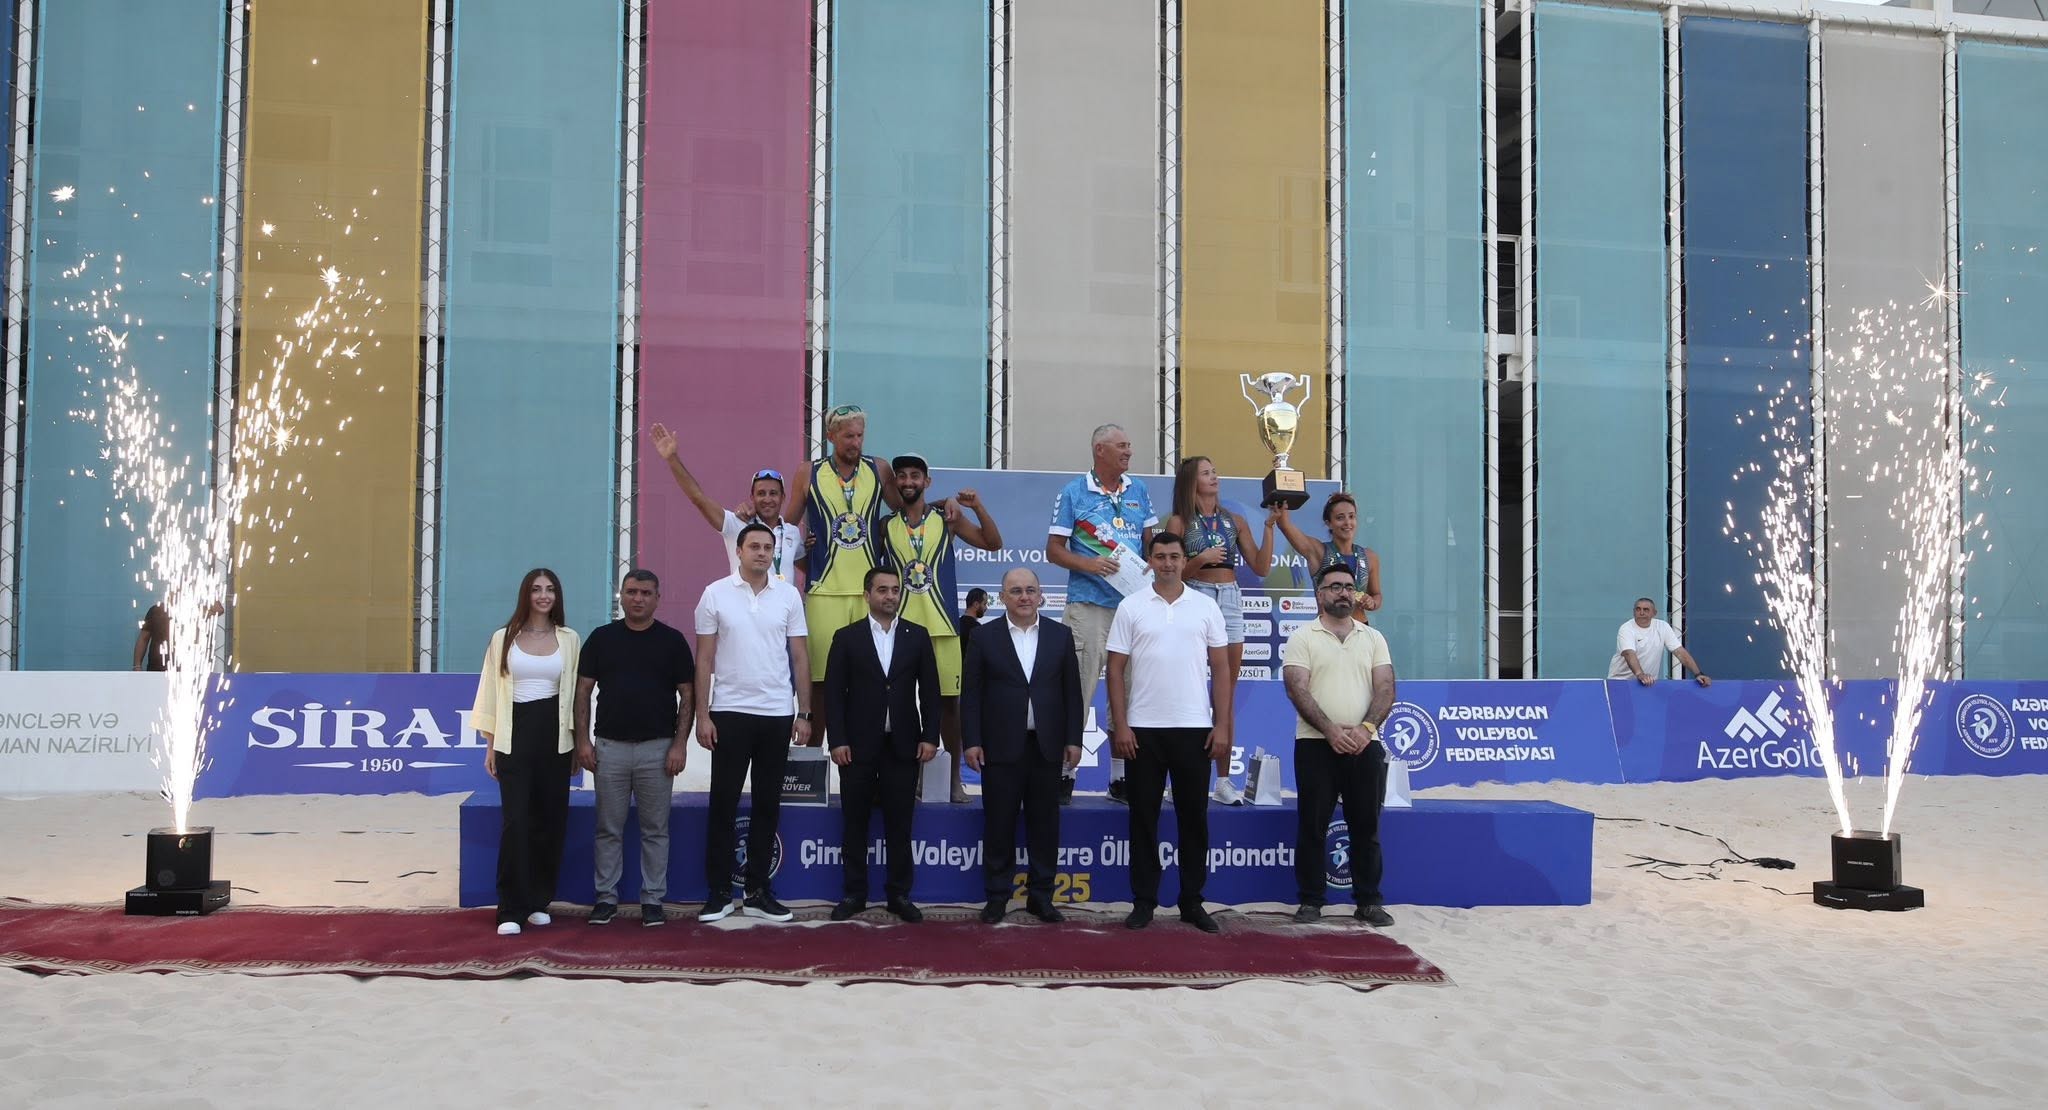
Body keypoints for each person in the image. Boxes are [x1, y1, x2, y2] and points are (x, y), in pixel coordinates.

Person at [1105, 532, 1231, 933]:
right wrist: (1121, 725)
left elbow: (1222, 669)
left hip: (1194, 729)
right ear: (1149, 561)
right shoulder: (1131, 606)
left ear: (1183, 559)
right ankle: (1144, 901)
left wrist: (1222, 725)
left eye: (1174, 556)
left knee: (1194, 819)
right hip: (1143, 730)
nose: (1168, 563)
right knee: (1143, 818)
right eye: (1160, 556)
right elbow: (1114, 670)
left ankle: (1192, 901)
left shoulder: (1206, 606)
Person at [694, 523, 813, 923]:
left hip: (777, 713)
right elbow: (704, 659)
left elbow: (800, 656)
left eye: (767, 547)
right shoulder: (715, 593)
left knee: (767, 804)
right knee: (723, 803)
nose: (762, 553)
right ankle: (719, 893)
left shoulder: (788, 595)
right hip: (729, 712)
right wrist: (703, 715)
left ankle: (758, 891)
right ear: (739, 551)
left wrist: (804, 712)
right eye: (754, 546)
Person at [574, 570, 695, 927]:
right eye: (631, 592)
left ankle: (653, 899)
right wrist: (582, 741)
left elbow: (687, 695)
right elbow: (582, 691)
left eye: (645, 592)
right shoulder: (601, 638)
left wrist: (679, 745)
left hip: (658, 751)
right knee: (607, 828)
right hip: (609, 749)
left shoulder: (672, 641)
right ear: (621, 596)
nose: (638, 598)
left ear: (657, 598)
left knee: (655, 829)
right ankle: (605, 898)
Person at [963, 567, 1083, 924]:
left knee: (1045, 825)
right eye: (1016, 591)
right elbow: (971, 694)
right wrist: (972, 741)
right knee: (999, 824)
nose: (1024, 596)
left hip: (1047, 747)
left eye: (1030, 589)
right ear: (1002, 597)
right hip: (999, 746)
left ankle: (1041, 897)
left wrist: (1073, 739)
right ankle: (997, 897)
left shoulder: (1060, 635)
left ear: (1041, 595)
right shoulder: (983, 637)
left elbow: (1072, 693)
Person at [880, 453, 1002, 804]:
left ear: (927, 481)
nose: (908, 481)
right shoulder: (885, 525)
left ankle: (953, 780)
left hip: (943, 627)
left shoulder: (947, 519)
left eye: (915, 475)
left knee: (950, 706)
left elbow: (993, 543)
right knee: (902, 703)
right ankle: (912, 778)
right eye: (902, 476)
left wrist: (976, 507)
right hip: (902, 629)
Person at [788, 403, 911, 748]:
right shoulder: (808, 472)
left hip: (868, 593)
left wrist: (943, 505)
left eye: (859, 435)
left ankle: (864, 758)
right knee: (821, 680)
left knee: (869, 678)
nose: (855, 442)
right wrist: (803, 557)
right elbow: (785, 527)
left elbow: (906, 512)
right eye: (848, 436)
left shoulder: (878, 468)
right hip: (825, 592)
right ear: (831, 436)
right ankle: (813, 759)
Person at [1282, 562, 1397, 928]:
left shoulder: (1373, 638)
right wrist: (1330, 730)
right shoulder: (1303, 637)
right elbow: (1296, 688)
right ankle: (1311, 901)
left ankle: (1368, 901)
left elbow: (1386, 688)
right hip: (1316, 745)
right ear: (1320, 595)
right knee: (1312, 827)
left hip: (1365, 745)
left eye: (1349, 586)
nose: (1344, 592)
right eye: (1335, 587)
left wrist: (1365, 729)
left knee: (1366, 827)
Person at [823, 566, 942, 922]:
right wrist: (837, 740)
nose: (890, 596)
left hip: (904, 746)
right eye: (882, 590)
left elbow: (931, 692)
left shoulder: (917, 636)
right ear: (867, 595)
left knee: (900, 825)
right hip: (856, 747)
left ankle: (899, 895)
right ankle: (854, 894)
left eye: (895, 590)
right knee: (854, 823)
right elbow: (833, 694)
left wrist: (930, 736)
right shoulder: (847, 637)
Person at [1046, 423, 1157, 802]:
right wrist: (1089, 564)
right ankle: (1064, 774)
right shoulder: (1074, 491)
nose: (1129, 451)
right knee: (1077, 689)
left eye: (1129, 445)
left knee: (1128, 693)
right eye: (1121, 446)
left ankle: (1121, 777)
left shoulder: (1139, 489)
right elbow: (1053, 550)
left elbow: (1149, 543)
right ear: (1100, 450)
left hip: (1132, 607)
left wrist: (1151, 564)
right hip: (1089, 605)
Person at [471, 569, 581, 936]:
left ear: (557, 596)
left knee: (550, 821)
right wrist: (490, 745)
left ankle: (538, 901)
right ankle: (510, 908)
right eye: (536, 589)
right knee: (516, 821)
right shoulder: (503, 638)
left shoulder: (570, 639)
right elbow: (489, 690)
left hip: (555, 737)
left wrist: (577, 742)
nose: (543, 595)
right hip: (513, 736)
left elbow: (576, 696)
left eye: (550, 589)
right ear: (526, 595)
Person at [1163, 455, 1276, 806]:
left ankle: (1224, 781)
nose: (1215, 476)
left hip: (1229, 596)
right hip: (1195, 594)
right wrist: (1200, 559)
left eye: (1214, 471)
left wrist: (1269, 528)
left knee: (1225, 691)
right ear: (1191, 481)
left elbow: (1261, 566)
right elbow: (1170, 573)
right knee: (1188, 687)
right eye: (1206, 473)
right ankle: (1179, 778)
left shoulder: (1234, 520)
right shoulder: (1179, 522)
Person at [648, 423, 803, 582]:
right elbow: (698, 498)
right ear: (752, 497)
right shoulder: (736, 524)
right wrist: (672, 459)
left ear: (783, 498)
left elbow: (805, 564)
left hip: (783, 599)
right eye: (761, 493)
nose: (767, 499)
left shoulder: (793, 533)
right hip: (744, 599)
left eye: (773, 493)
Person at [1274, 492, 1383, 616]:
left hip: (1361, 626)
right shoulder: (1319, 552)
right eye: (1340, 518)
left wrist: (1372, 602)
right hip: (1326, 627)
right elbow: (1284, 525)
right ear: (1329, 523)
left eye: (1351, 516)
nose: (1347, 522)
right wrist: (1282, 497)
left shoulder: (1369, 556)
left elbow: (1377, 594)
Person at [1609, 598, 1711, 686]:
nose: (1641, 613)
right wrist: (1640, 674)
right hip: (1620, 682)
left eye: (1646, 610)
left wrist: (1698, 674)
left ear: (1654, 613)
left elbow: (1679, 652)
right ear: (1633, 611)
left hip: (1647, 683)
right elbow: (1629, 653)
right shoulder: (1626, 628)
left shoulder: (1663, 626)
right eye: (1638, 609)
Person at [132, 601, 170, 671]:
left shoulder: (189, 611)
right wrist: (137, 666)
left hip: (184, 669)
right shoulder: (156, 610)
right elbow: (143, 638)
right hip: (156, 667)